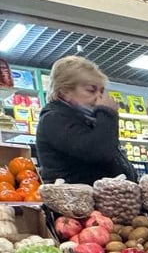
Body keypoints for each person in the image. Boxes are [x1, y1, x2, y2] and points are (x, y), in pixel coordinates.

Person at [35, 57, 138, 185]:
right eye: (91, 90)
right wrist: (106, 113)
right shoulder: (53, 119)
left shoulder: (87, 119)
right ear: (65, 91)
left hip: (98, 200)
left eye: (101, 91)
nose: (99, 97)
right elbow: (98, 152)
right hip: (73, 200)